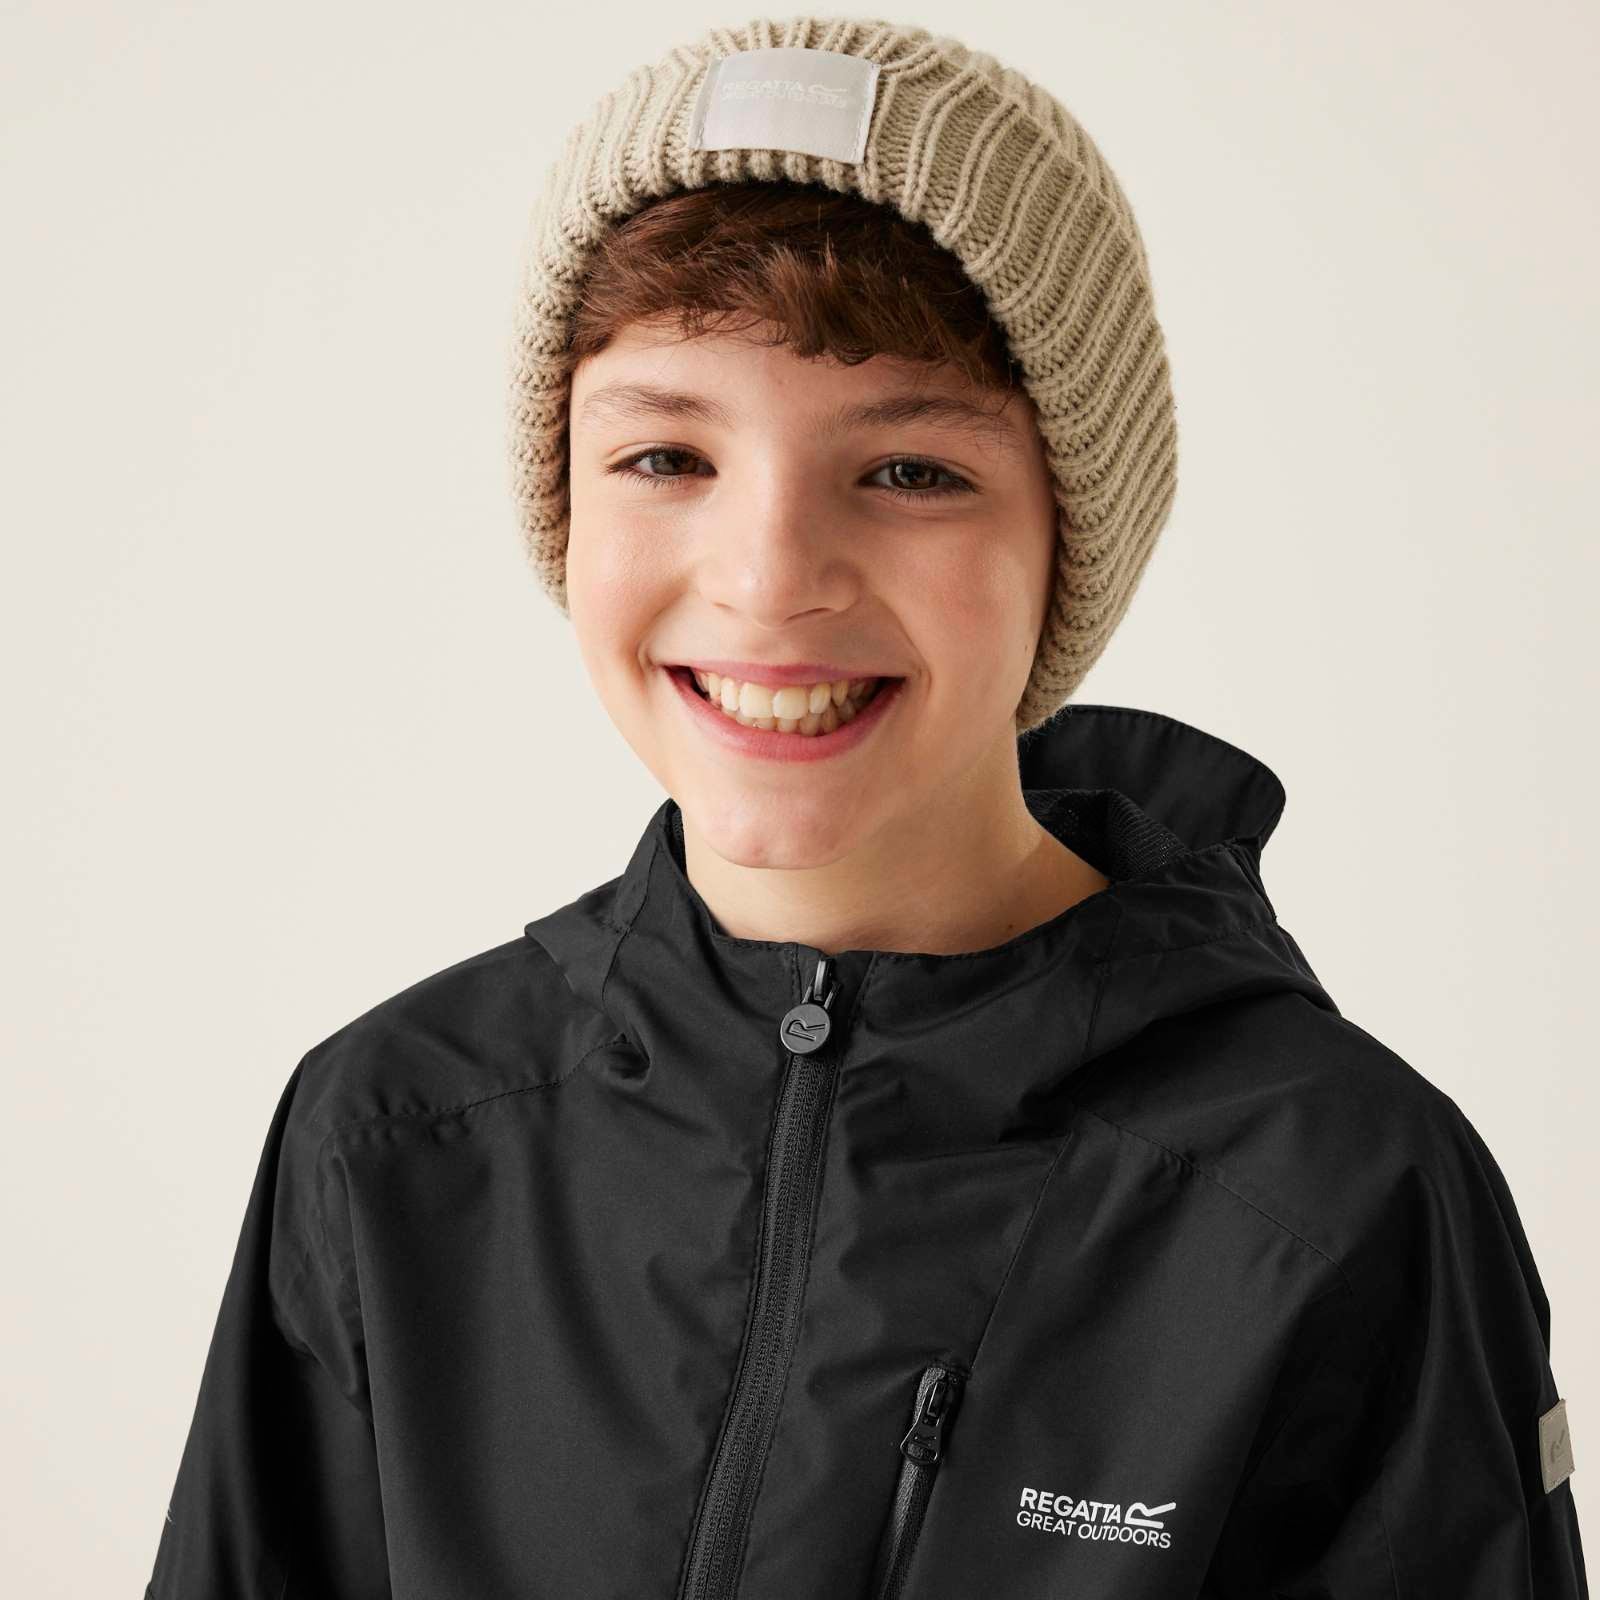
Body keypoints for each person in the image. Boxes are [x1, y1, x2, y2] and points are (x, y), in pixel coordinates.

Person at [145, 16, 1588, 1599]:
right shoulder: (391, 1139)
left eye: (909, 472)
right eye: (667, 455)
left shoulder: (1336, 1198)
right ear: (563, 502)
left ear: (1069, 543)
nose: (768, 578)